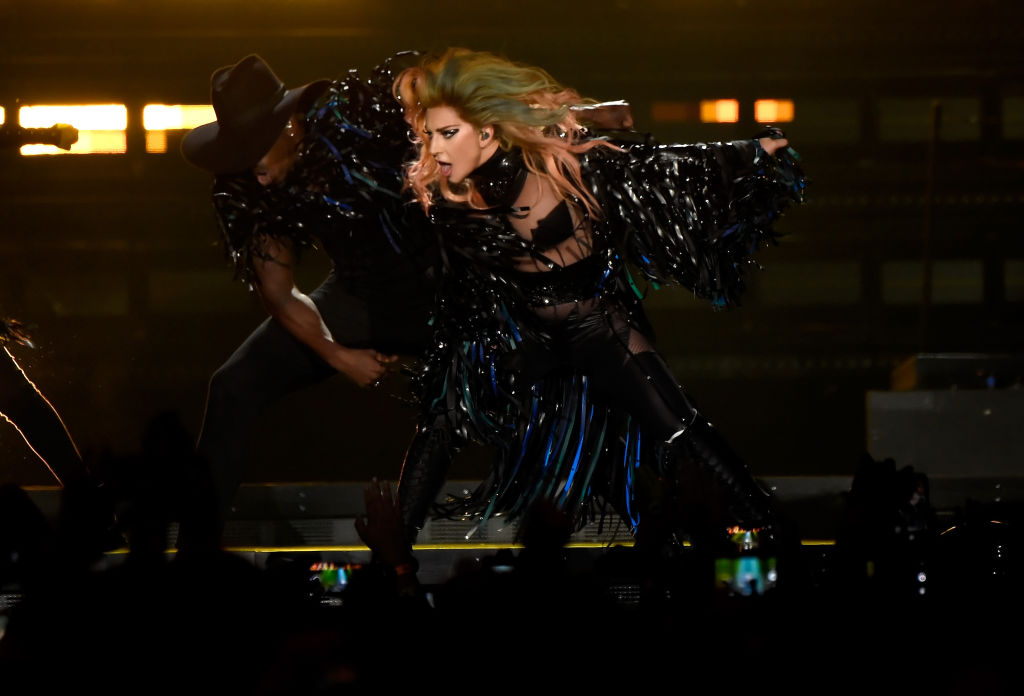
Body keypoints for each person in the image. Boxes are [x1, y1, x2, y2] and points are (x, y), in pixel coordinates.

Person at [392, 48, 807, 549]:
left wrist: (747, 151)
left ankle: (772, 534)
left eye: (447, 134)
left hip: (596, 325)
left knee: (677, 431)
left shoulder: (560, 164)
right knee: (445, 411)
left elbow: (656, 167)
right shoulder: (448, 193)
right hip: (524, 332)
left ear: (486, 133)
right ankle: (394, 545)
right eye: (429, 134)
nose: (434, 147)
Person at [180, 53, 441, 539]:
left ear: (292, 127)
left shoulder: (362, 121)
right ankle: (198, 550)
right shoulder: (245, 186)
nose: (251, 169)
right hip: (358, 294)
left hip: (444, 291)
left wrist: (572, 117)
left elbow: (473, 103)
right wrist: (340, 356)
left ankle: (398, 549)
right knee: (231, 386)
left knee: (464, 398)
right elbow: (280, 294)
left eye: (257, 148)